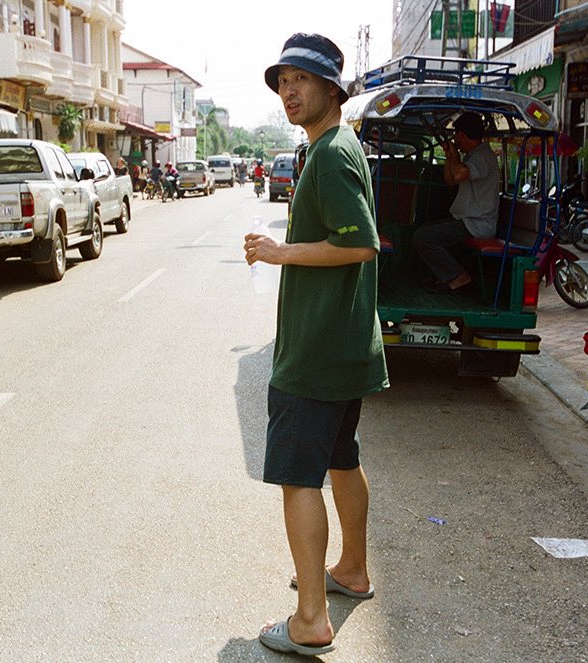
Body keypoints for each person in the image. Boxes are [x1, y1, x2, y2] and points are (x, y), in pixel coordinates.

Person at [244, 32, 388, 657]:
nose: (289, 91)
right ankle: (351, 569)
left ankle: (310, 619)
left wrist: (279, 253)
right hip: (346, 343)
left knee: (298, 478)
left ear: (333, 87)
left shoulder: (330, 154)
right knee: (342, 460)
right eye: (282, 81)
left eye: (301, 79)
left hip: (318, 349)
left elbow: (359, 242)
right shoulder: (337, 146)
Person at [410, 111, 500, 292]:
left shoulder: (483, 157)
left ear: (460, 135)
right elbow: (450, 179)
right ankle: (447, 275)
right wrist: (451, 157)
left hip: (477, 224)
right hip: (465, 220)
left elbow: (459, 174)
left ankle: (458, 276)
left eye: (456, 135)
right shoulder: (472, 156)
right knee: (424, 229)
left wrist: (455, 157)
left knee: (422, 238)